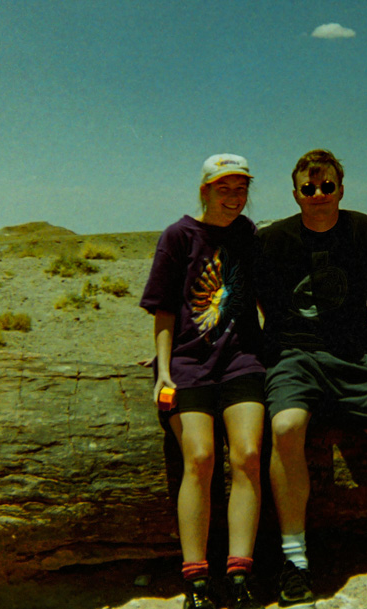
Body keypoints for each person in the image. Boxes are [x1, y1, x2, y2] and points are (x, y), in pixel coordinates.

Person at [255, 149, 367, 609]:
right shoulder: (273, 240)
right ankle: (294, 561)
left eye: (327, 187)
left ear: (342, 187)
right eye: (308, 188)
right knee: (284, 428)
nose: (318, 196)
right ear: (295, 193)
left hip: (357, 353)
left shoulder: (363, 232)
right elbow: (247, 302)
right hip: (296, 355)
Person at [140, 154, 266, 609]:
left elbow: (261, 294)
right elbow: (164, 309)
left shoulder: (249, 236)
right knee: (200, 457)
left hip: (241, 361)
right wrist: (164, 369)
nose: (234, 197)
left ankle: (239, 574)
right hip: (190, 363)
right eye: (223, 188)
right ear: (205, 191)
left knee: (249, 454)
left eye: (240, 188)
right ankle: (195, 579)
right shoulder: (178, 236)